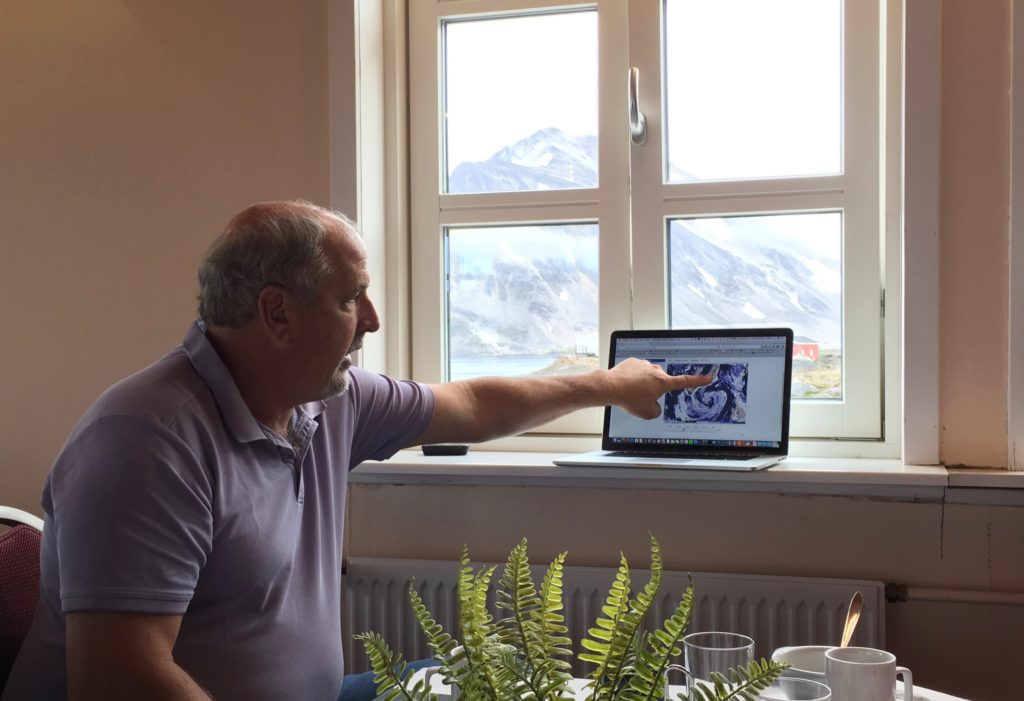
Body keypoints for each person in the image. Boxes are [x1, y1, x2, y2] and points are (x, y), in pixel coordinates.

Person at [2, 201, 710, 701]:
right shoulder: (146, 442)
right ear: (277, 313)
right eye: (353, 299)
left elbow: (473, 405)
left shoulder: (329, 399)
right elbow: (122, 683)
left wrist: (611, 385)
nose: (372, 319)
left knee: (478, 677)